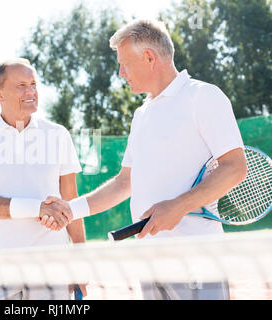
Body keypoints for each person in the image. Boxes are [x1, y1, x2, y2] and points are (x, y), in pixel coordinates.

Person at [46, 19, 247, 300]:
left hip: (199, 263)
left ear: (149, 57)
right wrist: (71, 209)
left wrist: (178, 206)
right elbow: (124, 183)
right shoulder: (141, 115)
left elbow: (235, 167)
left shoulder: (203, 97)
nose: (120, 72)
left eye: (124, 64)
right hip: (150, 266)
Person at [0, 58, 87, 300]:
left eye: (33, 84)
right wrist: (37, 209)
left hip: (52, 270)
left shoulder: (58, 134)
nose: (31, 92)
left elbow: (71, 200)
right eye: (21, 86)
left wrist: (79, 260)